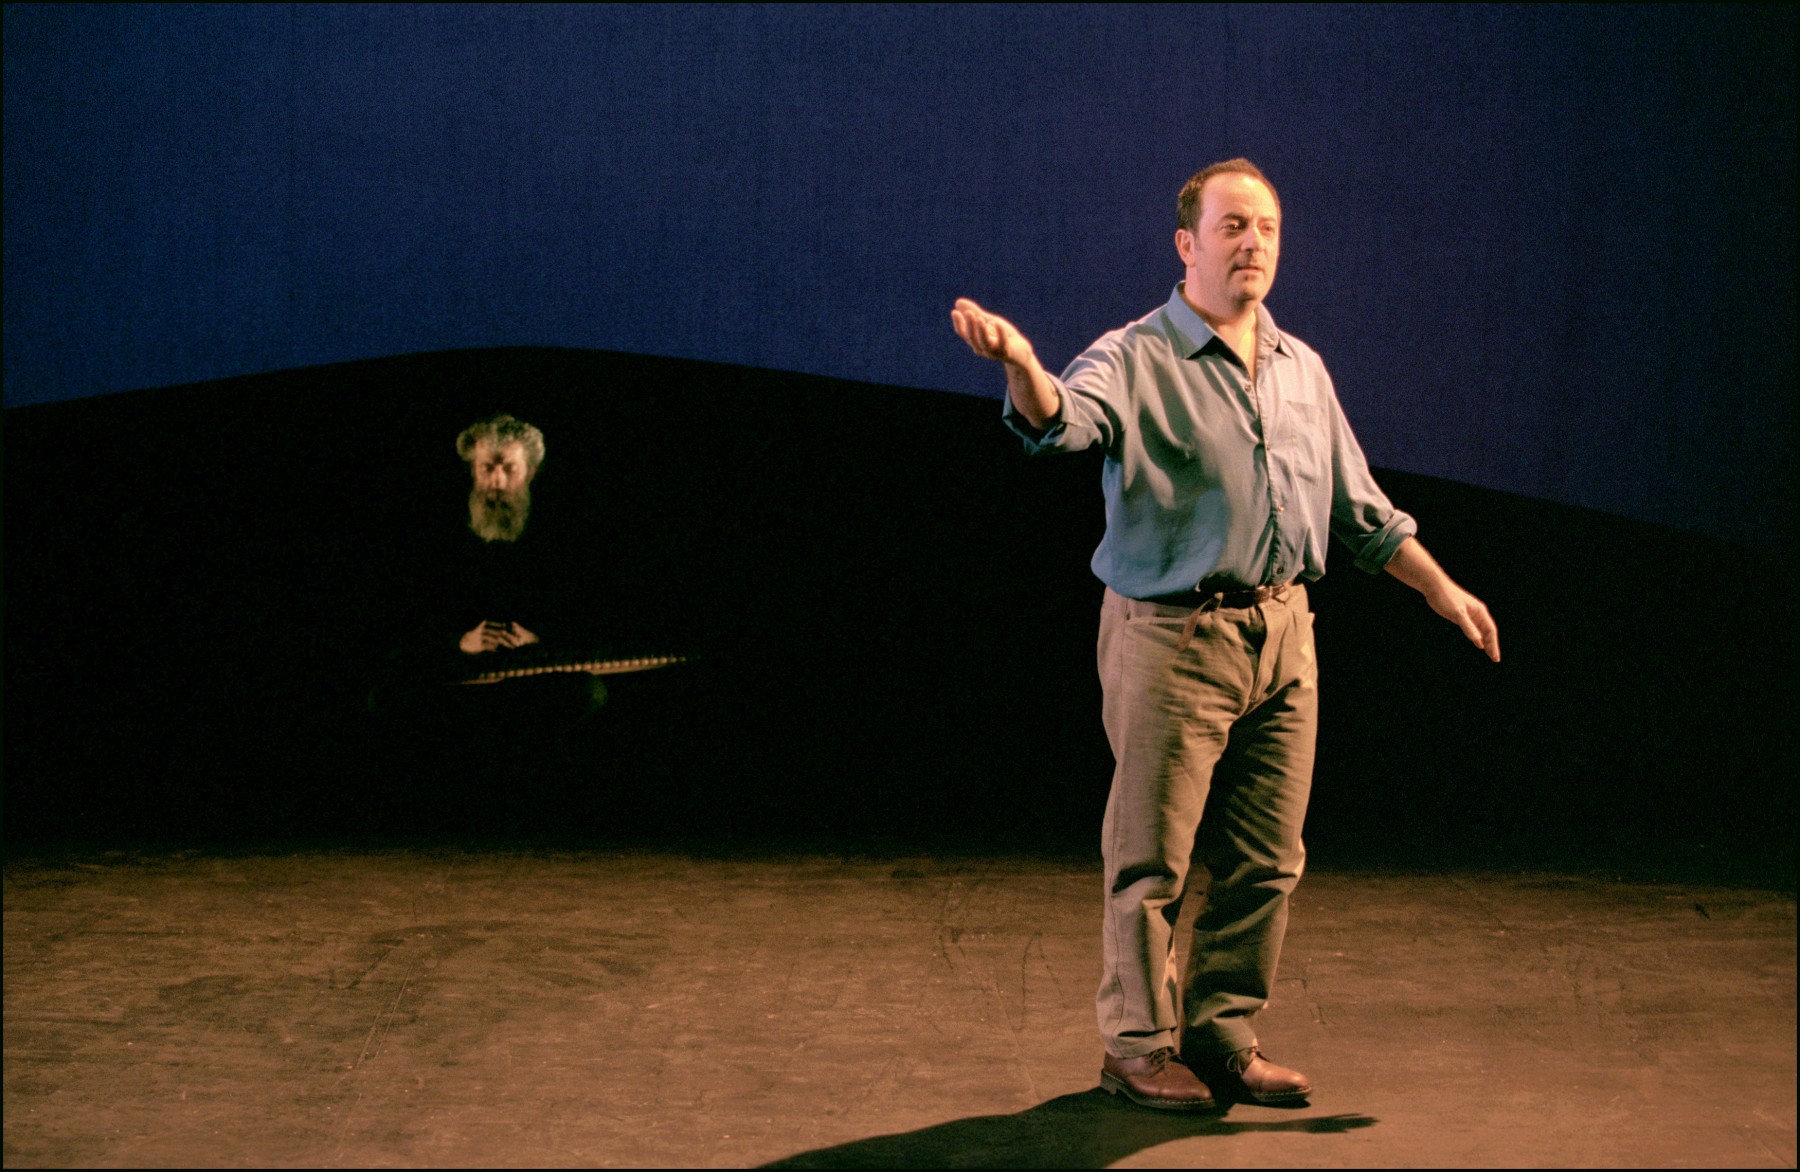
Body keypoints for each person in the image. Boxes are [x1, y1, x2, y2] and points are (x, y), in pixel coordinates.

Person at [950, 159, 1499, 1112]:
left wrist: (1440, 588)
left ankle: (1221, 1035)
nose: (1253, 243)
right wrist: (1021, 367)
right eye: (1233, 226)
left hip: (1285, 636)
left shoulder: (1300, 368)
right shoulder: (1135, 355)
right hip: (1175, 639)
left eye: (1267, 228)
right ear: (1187, 244)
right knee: (1151, 862)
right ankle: (1135, 1049)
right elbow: (1063, 423)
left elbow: (1360, 509)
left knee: (1268, 858)